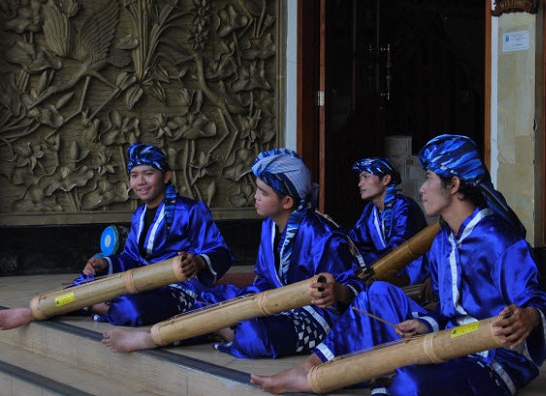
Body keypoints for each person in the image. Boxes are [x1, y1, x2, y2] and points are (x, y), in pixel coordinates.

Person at [251, 134, 546, 395]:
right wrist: (427, 324)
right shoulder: (441, 241)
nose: (422, 188)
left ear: (453, 184)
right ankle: (310, 368)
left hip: (493, 359)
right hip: (448, 342)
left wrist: (528, 316)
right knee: (377, 294)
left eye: (429, 178)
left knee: (406, 381)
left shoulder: (499, 240)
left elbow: (537, 300)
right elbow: (445, 311)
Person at [101, 148, 365, 358]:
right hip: (271, 302)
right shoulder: (269, 227)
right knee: (210, 299)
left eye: (263, 192)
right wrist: (239, 305)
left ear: (287, 202)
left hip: (314, 315)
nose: (255, 196)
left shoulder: (323, 234)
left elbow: (354, 284)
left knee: (252, 333)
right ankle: (196, 330)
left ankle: (193, 332)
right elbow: (263, 280)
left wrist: (337, 292)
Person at [0, 142, 233, 330]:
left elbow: (220, 251)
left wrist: (198, 261)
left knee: (132, 309)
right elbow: (132, 257)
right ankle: (34, 311)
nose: (140, 182)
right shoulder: (140, 215)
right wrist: (105, 263)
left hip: (177, 288)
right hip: (139, 281)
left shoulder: (191, 209)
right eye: (134, 175)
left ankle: (93, 306)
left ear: (166, 176)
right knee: (86, 281)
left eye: (148, 173)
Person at [348, 157, 429, 286]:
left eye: (365, 177)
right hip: (391, 272)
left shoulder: (404, 206)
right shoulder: (370, 210)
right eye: (360, 178)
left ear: (386, 179)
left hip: (416, 276)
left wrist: (365, 262)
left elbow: (399, 247)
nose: (360, 183)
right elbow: (355, 241)